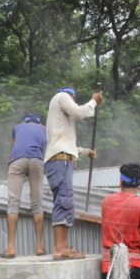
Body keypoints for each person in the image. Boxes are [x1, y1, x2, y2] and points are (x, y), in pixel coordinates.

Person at [44, 86, 102, 260]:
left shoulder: (57, 119)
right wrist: (94, 101)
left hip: (60, 160)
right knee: (64, 201)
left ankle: (64, 247)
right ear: (70, 96)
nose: (73, 100)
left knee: (64, 201)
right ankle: (59, 249)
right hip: (60, 161)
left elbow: (68, 146)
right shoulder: (61, 96)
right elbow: (79, 112)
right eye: (73, 98)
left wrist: (86, 152)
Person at [3, 110, 47, 258]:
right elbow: (44, 146)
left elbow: (15, 144)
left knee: (13, 202)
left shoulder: (17, 127)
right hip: (36, 159)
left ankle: (11, 248)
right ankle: (39, 247)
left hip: (17, 159)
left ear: (25, 120)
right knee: (37, 203)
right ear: (39, 121)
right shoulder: (44, 129)